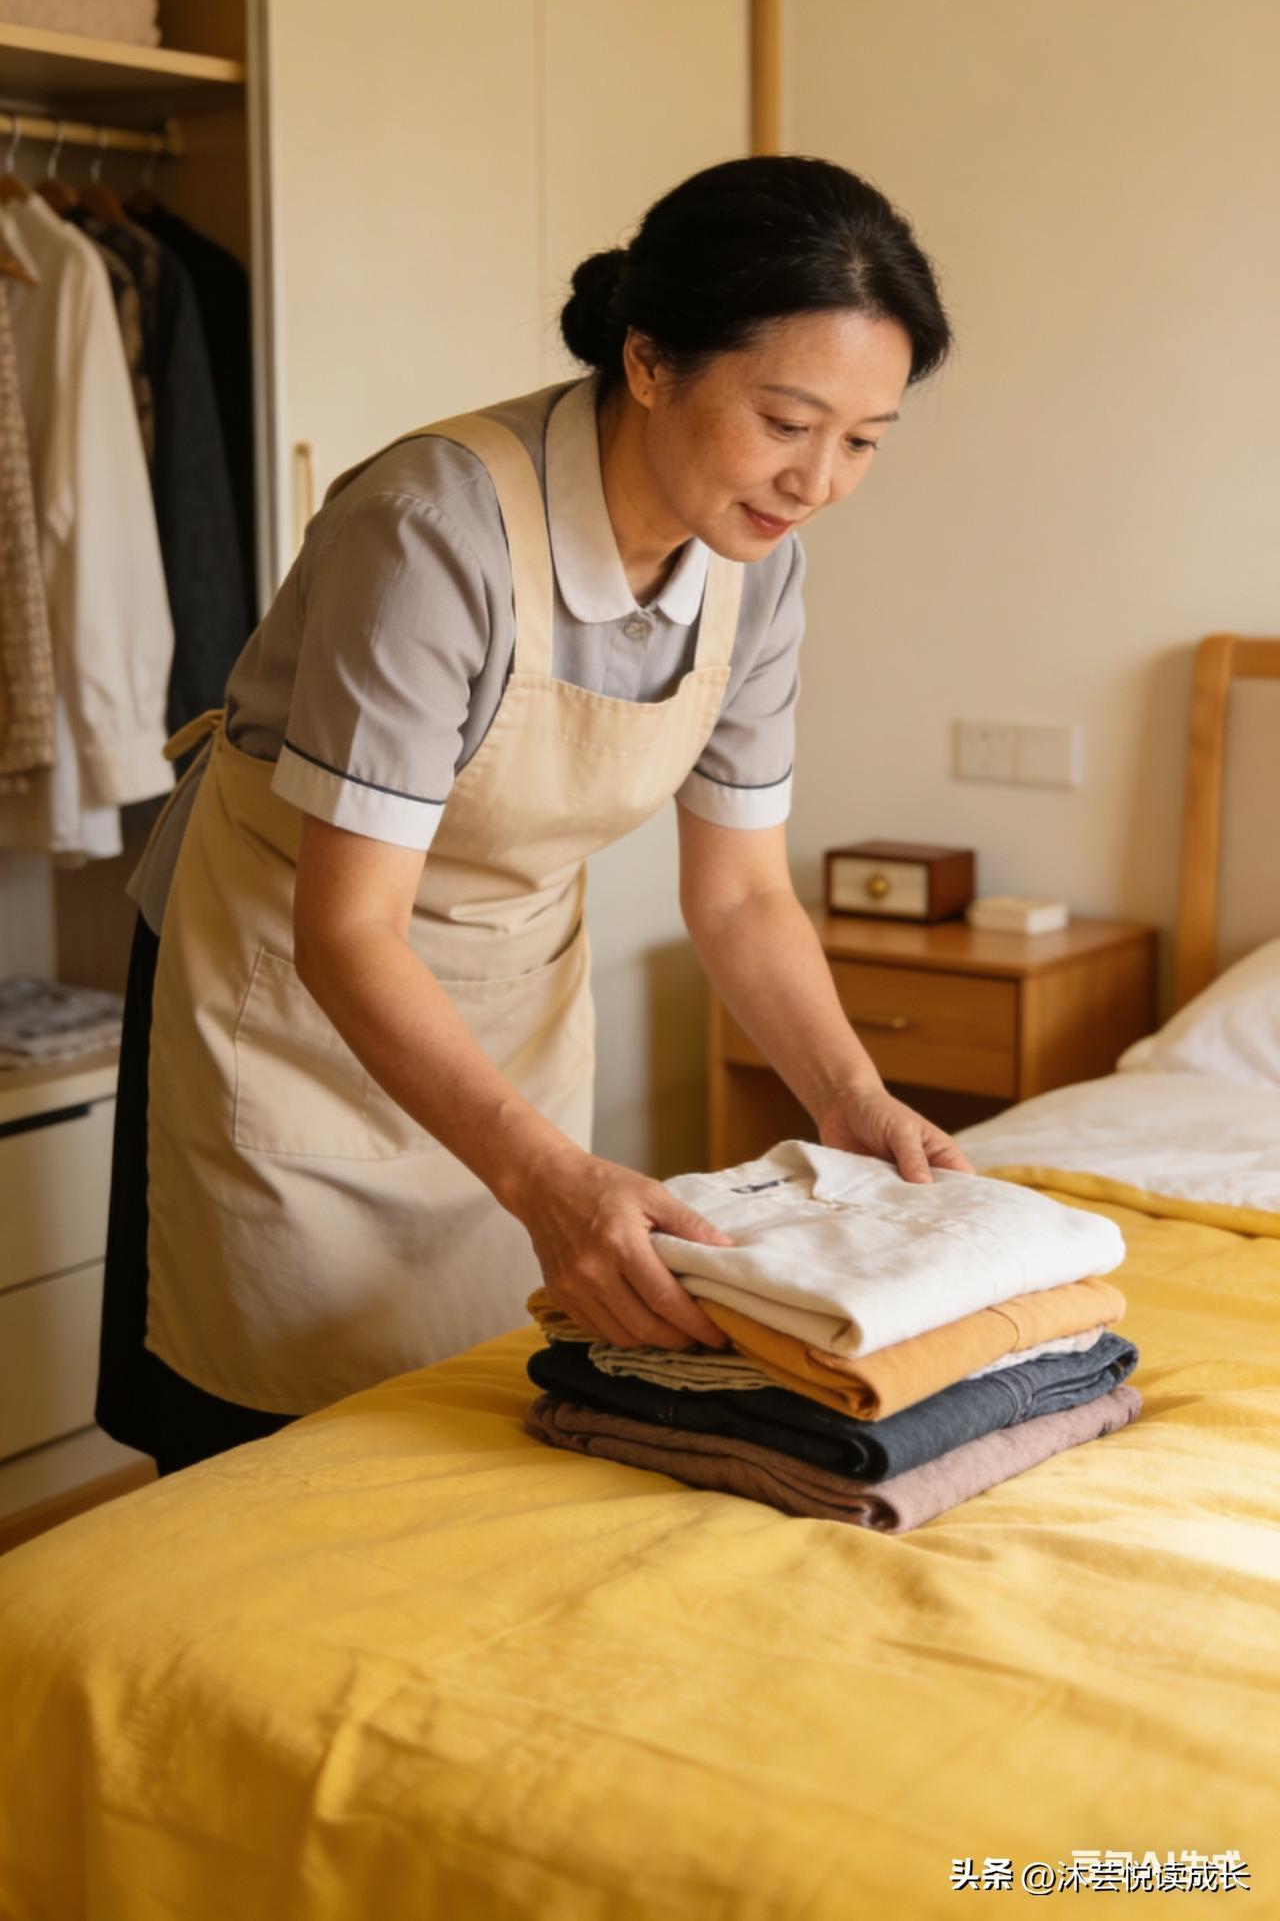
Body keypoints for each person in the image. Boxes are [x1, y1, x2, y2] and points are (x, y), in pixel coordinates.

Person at [96, 152, 975, 1479]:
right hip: (287, 994)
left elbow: (739, 893)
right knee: (264, 1438)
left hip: (506, 1003)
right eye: (787, 421)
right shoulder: (432, 530)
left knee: (477, 1430)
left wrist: (850, 1097)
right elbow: (349, 928)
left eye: (861, 442)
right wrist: (548, 1179)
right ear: (649, 363)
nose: (817, 481)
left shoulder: (756, 563)